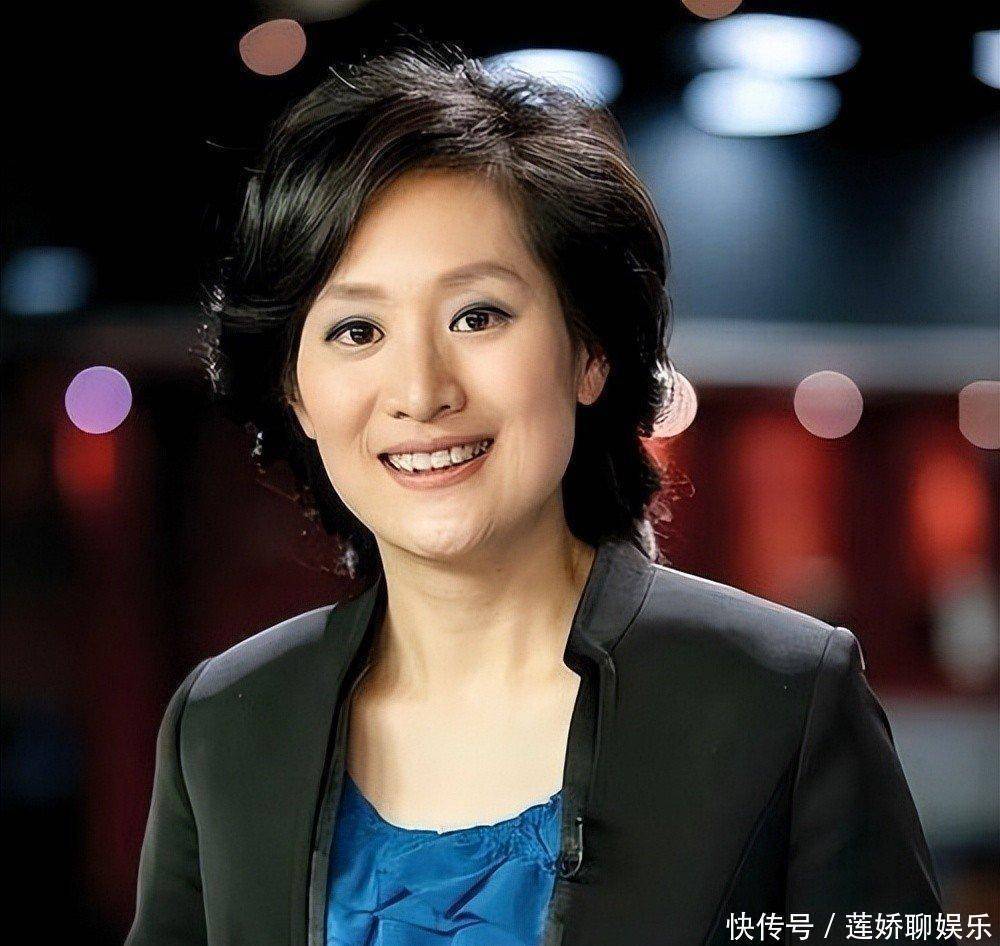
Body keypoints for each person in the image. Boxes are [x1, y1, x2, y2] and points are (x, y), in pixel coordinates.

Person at [126, 39, 943, 946]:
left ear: (589, 351)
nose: (421, 390)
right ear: (296, 393)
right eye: (356, 331)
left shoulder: (780, 698)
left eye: (477, 316)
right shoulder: (225, 727)